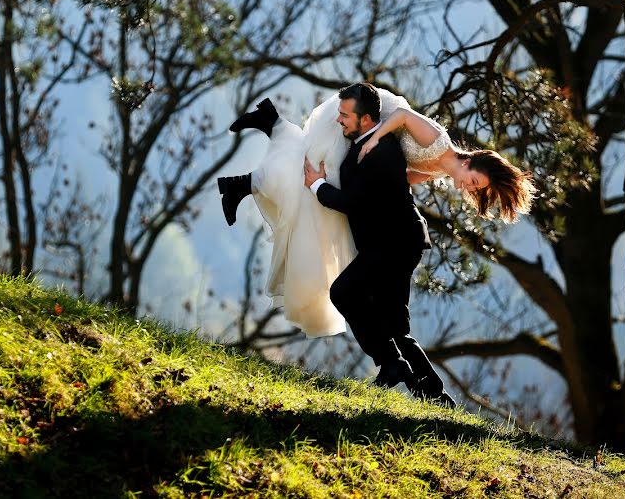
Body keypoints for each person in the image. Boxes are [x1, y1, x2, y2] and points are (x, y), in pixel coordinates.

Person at [217, 84, 534, 341]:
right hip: (371, 115)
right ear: (470, 162)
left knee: (316, 179)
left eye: (476, 190)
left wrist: (383, 192)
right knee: (312, 168)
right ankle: (254, 161)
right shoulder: (439, 142)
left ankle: (266, 134)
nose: (469, 188)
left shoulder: (441, 169)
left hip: (374, 142)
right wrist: (375, 139)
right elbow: (404, 116)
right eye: (475, 181)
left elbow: (404, 180)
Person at [302, 83, 453, 405]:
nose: (339, 120)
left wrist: (316, 184)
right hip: (393, 241)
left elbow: (350, 202)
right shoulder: (365, 145)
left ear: (367, 118)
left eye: (345, 115)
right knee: (395, 323)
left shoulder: (379, 152)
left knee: (344, 292)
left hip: (394, 242)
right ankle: (433, 396)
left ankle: (391, 363)